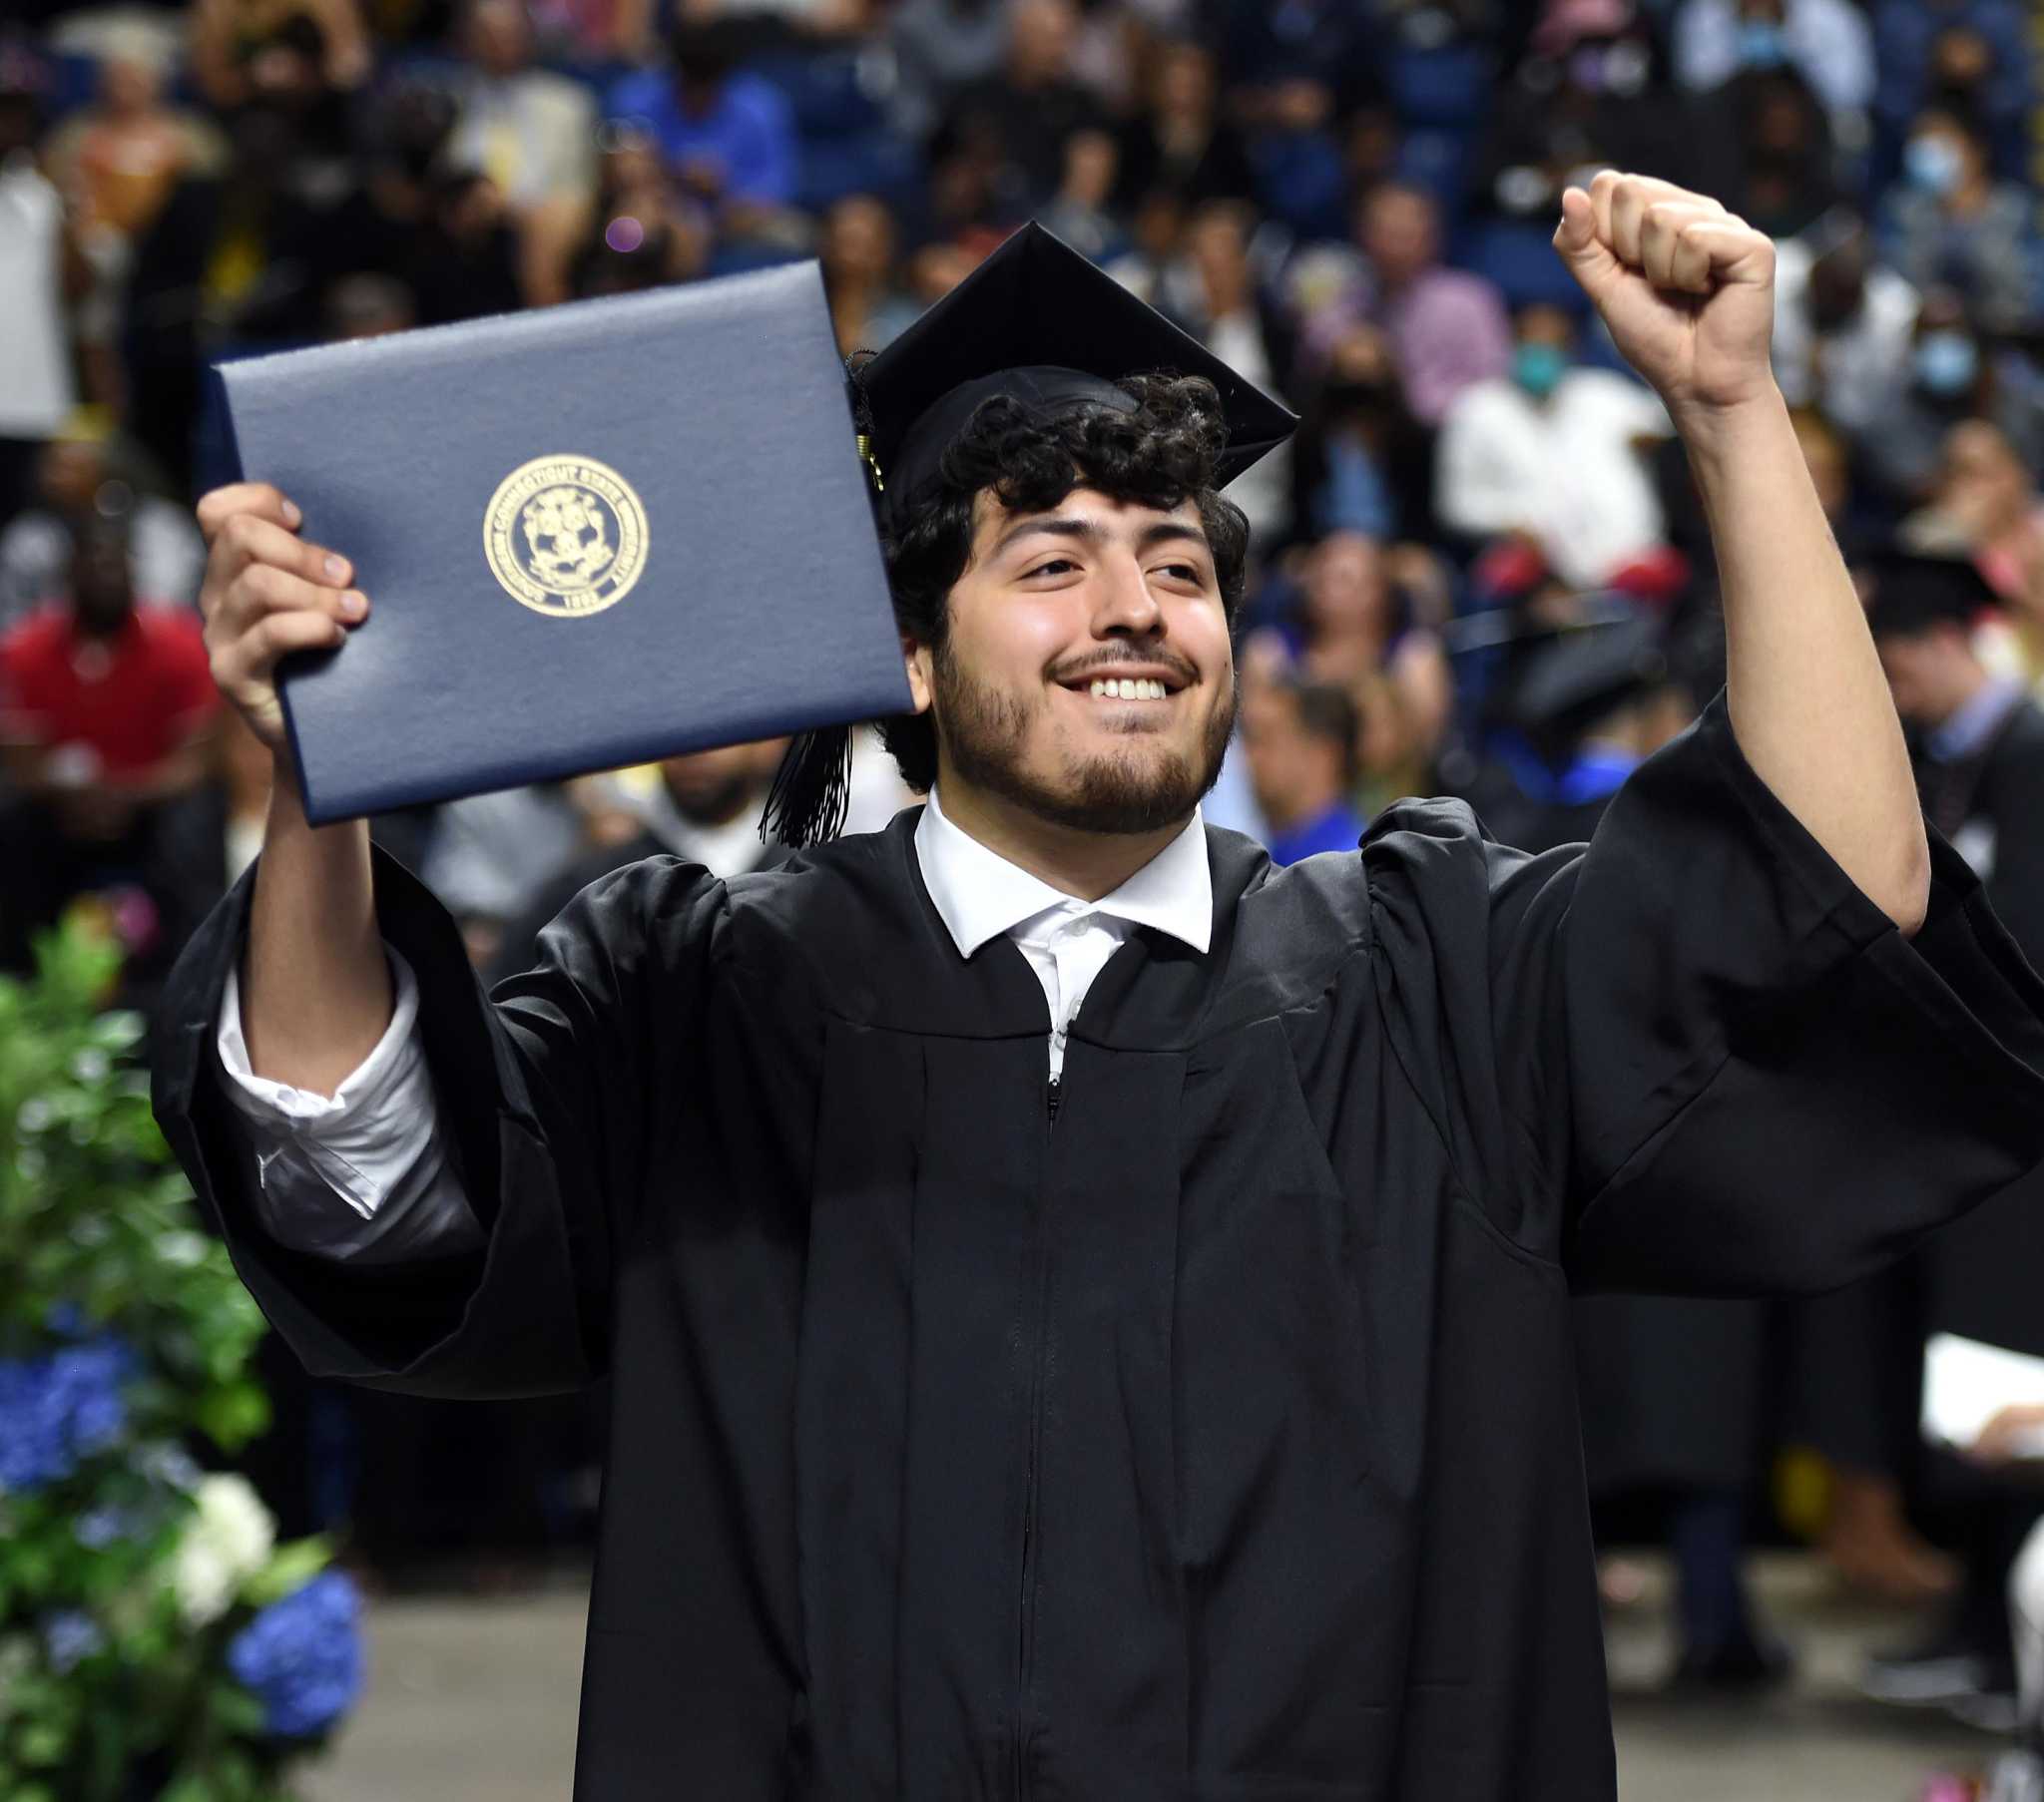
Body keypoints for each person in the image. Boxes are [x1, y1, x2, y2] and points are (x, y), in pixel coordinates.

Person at [154, 182, 2044, 1799]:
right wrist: (323, 779)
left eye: (1174, 565)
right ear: (903, 656)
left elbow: (1827, 896)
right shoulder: (708, 993)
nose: (1132, 607)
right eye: (1047, 563)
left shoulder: (1429, 978)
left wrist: (1729, 414)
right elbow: (362, 1163)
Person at [1435, 300, 1675, 589]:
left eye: (1553, 344)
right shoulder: (1477, 409)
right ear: (1512, 343)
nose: (1542, 353)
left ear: (1570, 350)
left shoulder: (1601, 394)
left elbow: (1668, 421)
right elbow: (1458, 504)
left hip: (1628, 566)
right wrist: (1513, 522)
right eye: (1531, 342)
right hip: (1536, 573)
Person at [1239, 678, 1368, 866]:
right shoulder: (1270, 856)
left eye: (1267, 739)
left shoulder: (1355, 870)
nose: (1250, 759)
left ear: (1323, 756)